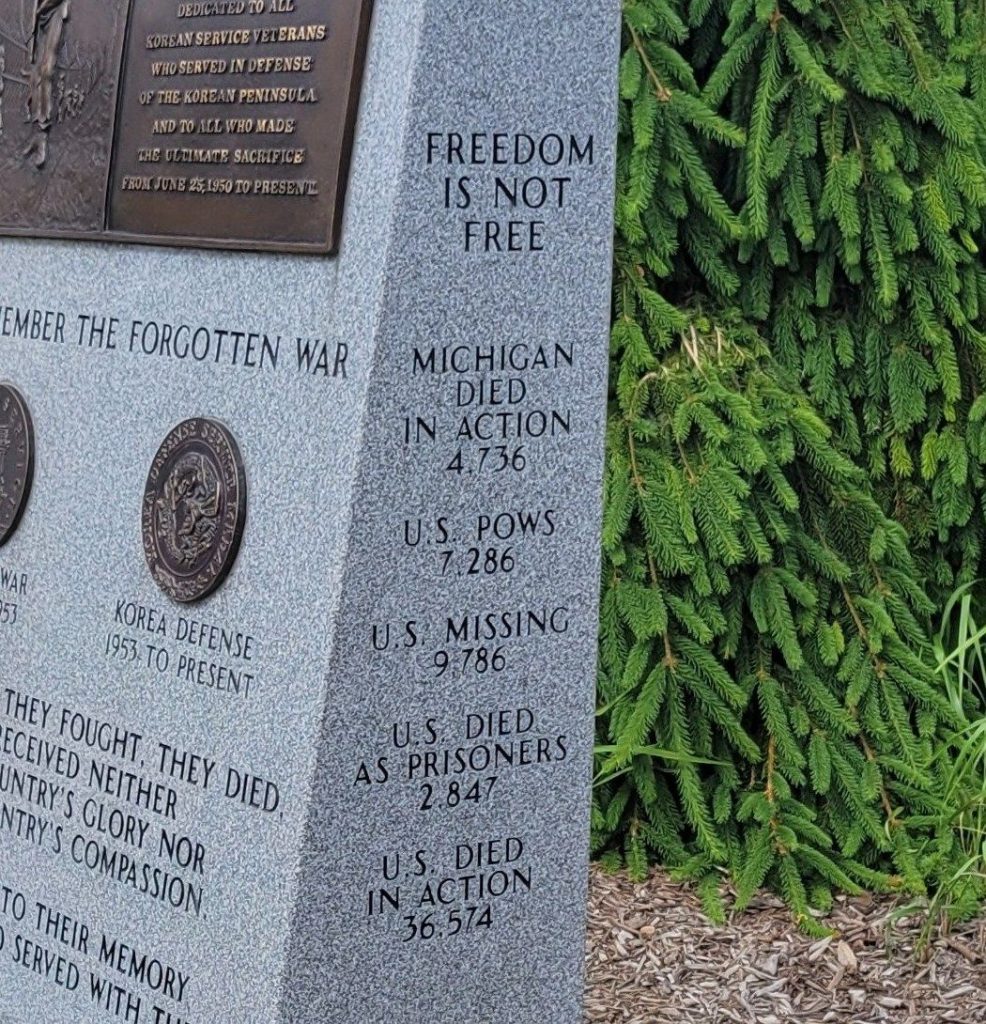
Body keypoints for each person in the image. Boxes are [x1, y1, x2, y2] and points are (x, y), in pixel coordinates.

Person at [24, 0, 71, 168]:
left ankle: (43, 134)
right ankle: (37, 136)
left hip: (55, 10)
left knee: (46, 70)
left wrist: (42, 8)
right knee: (36, 73)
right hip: (41, 14)